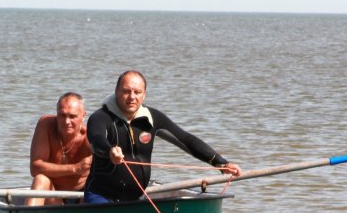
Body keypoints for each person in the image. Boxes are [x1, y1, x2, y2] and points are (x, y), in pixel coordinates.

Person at [83, 71, 242, 203]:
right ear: (116, 91)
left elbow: (185, 139)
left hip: (136, 197)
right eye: (126, 91)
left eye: (137, 92)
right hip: (100, 196)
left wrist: (221, 163)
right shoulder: (101, 117)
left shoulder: (152, 118)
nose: (132, 97)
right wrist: (110, 151)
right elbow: (96, 140)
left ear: (144, 95)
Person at [25, 92, 93, 206]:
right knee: (40, 179)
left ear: (83, 116)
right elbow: (35, 168)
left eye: (72, 116)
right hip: (53, 195)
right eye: (62, 115)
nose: (67, 122)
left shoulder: (90, 137)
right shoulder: (45, 125)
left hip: (82, 195)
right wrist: (75, 168)